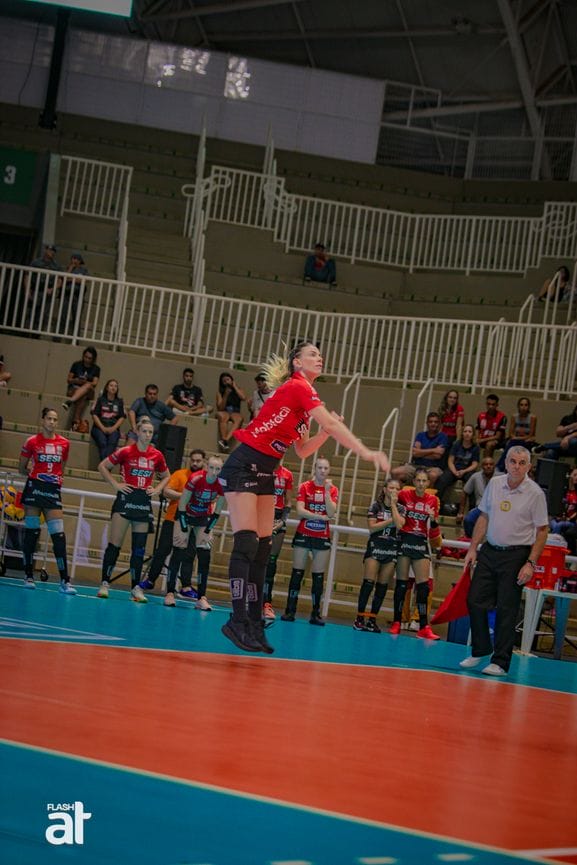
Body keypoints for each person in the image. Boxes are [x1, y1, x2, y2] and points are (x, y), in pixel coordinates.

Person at [217, 340, 389, 654]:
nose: (319, 357)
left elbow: (302, 450)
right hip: (243, 465)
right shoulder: (298, 387)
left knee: (263, 549)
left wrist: (324, 433)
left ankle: (254, 622)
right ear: (297, 362)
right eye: (312, 354)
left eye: (320, 354)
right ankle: (237, 620)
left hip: (266, 471)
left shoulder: (305, 399)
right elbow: (330, 421)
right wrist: (366, 452)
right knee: (247, 544)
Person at [461, 446, 548, 676]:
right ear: (506, 463)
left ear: (529, 466)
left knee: (507, 609)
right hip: (489, 550)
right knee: (474, 600)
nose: (516, 466)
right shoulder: (495, 483)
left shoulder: (535, 493)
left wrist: (530, 563)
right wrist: (473, 548)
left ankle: (500, 662)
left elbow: (542, 530)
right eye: (513, 461)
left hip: (516, 555)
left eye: (522, 463)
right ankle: (480, 649)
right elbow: (484, 516)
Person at [97, 416, 170, 602]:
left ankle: (135, 588)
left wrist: (157, 489)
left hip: (143, 503)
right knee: (115, 545)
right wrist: (116, 484)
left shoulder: (157, 455)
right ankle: (105, 583)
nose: (147, 435)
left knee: (139, 549)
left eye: (150, 432)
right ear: (137, 432)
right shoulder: (126, 451)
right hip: (125, 501)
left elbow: (166, 476)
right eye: (144, 431)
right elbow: (103, 466)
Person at [18, 407, 76, 594]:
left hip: (52, 491)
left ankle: (64, 581)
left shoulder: (64, 443)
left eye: (55, 419)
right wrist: (36, 474)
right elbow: (21, 467)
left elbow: (62, 467)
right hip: (34, 488)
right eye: (49, 418)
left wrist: (54, 479)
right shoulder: (32, 441)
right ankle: (28, 576)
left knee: (58, 535)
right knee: (32, 533)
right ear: (43, 420)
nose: (52, 422)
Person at [139, 449, 206, 595]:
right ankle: (151, 580)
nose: (195, 463)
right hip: (172, 519)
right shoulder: (179, 474)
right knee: (163, 550)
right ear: (189, 460)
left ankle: (186, 586)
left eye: (198, 461)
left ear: (203, 462)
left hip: (194, 521)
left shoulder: (207, 479)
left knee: (189, 554)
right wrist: (185, 495)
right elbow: (166, 491)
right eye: (193, 460)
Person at [281, 456, 338, 626]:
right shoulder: (305, 486)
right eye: (320, 467)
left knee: (318, 576)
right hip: (304, 533)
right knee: (297, 572)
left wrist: (326, 492)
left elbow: (331, 512)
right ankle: (290, 610)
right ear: (315, 468)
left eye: (325, 468)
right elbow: (300, 511)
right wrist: (319, 517)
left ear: (329, 470)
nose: (322, 471)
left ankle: (315, 613)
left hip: (321, 536)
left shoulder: (333, 489)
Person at [165, 455, 225, 609]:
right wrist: (184, 525)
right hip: (185, 513)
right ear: (206, 467)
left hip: (203, 517)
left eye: (218, 469)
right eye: (211, 468)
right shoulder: (196, 478)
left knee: (204, 555)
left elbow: (217, 511)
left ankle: (201, 597)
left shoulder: (222, 483)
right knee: (179, 551)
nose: (214, 472)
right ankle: (170, 593)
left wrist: (209, 527)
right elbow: (182, 504)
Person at [389, 467, 440, 640]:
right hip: (405, 540)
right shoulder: (404, 495)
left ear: (428, 483)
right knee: (402, 584)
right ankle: (397, 622)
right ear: (413, 482)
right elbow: (391, 500)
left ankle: (423, 626)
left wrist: (433, 520)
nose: (421, 483)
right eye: (418, 480)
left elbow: (434, 529)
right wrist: (392, 498)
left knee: (423, 587)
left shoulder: (432, 500)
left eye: (424, 481)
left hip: (420, 542)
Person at [353, 478, 405, 633]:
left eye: (397, 489)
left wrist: (393, 506)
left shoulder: (401, 508)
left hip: (391, 549)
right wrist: (390, 521)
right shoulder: (376, 506)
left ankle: (372, 619)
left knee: (382, 586)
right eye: (391, 488)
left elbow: (400, 525)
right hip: (376, 547)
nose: (394, 491)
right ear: (385, 489)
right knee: (368, 582)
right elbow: (372, 528)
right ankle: (359, 618)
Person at [263, 461, 293, 619]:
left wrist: (283, 521)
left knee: (271, 562)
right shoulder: (262, 468)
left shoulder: (287, 474)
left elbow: (288, 501)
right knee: (257, 560)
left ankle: (267, 603)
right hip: (262, 515)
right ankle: (253, 600)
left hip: (278, 518)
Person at [435, 424, 480, 503]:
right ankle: (436, 504)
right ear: (462, 433)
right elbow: (450, 461)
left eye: (470, 432)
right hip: (454, 469)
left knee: (474, 482)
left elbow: (475, 464)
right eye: (465, 431)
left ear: (473, 434)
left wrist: (464, 471)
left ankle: (472, 508)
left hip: (467, 470)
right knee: (442, 480)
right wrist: (455, 471)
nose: (467, 433)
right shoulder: (456, 444)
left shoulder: (475, 447)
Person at [62, 346, 100, 432]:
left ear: (93, 359)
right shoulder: (76, 365)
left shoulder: (96, 369)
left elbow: (94, 383)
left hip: (89, 390)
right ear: (83, 356)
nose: (87, 359)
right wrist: (77, 380)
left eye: (89, 358)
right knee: (83, 396)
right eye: (85, 357)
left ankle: (70, 401)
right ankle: (75, 422)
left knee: (88, 386)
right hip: (74, 388)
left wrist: (85, 382)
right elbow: (69, 380)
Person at [25, 243, 62, 331]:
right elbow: (27, 276)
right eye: (50, 250)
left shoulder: (56, 266)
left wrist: (52, 289)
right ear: (45, 250)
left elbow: (60, 280)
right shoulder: (36, 262)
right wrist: (27, 290)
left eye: (53, 251)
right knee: (31, 312)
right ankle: (27, 332)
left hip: (47, 292)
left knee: (43, 314)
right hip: (36, 290)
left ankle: (37, 333)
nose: (51, 252)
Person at [457, 457, 496, 538]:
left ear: (494, 466)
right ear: (482, 466)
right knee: (468, 520)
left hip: (497, 509)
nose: (488, 466)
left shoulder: (502, 477)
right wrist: (461, 512)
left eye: (491, 464)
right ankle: (470, 540)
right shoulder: (475, 476)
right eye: (486, 464)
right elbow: (464, 492)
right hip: (480, 508)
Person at [496, 396, 537, 471]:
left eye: (526, 405)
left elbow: (531, 435)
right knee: (511, 444)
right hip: (515, 440)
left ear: (529, 406)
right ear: (518, 406)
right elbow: (511, 434)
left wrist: (518, 438)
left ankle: (501, 467)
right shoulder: (514, 416)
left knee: (517, 443)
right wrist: (516, 438)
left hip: (526, 441)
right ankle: (501, 467)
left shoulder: (532, 417)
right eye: (521, 405)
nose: (523, 407)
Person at [90, 379, 126, 461]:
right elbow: (94, 415)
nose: (113, 387)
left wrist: (113, 428)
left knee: (112, 444)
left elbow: (122, 417)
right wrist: (103, 428)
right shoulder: (100, 400)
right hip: (99, 428)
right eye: (111, 385)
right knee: (102, 443)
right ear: (106, 387)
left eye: (115, 386)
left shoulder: (119, 401)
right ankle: (105, 466)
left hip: (113, 428)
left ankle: (104, 466)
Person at [412, 411, 449, 485]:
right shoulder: (420, 435)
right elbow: (415, 453)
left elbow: (437, 455)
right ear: (427, 423)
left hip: (433, 467)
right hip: (417, 466)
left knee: (433, 475)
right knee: (396, 472)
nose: (433, 424)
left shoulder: (443, 436)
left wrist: (420, 453)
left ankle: (426, 493)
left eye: (436, 422)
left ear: (439, 424)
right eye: (430, 422)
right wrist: (434, 450)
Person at [57, 252, 89, 333]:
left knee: (76, 318)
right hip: (66, 296)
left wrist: (70, 279)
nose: (74, 260)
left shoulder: (84, 270)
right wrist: (70, 269)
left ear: (80, 261)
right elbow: (64, 279)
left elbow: (85, 280)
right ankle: (58, 336)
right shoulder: (67, 269)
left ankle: (76, 338)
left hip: (77, 297)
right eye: (72, 258)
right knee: (63, 316)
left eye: (76, 259)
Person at [549, 466, 577, 555]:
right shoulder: (562, 490)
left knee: (559, 525)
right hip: (557, 518)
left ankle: (555, 550)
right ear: (569, 475)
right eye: (575, 475)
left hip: (570, 521)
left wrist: (569, 518)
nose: (576, 477)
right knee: (552, 523)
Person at [216, 371, 246, 452]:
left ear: (232, 380)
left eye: (228, 380)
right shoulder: (220, 392)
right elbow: (220, 408)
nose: (226, 382)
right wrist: (225, 395)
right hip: (224, 411)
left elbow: (243, 398)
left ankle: (225, 440)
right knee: (223, 416)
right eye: (224, 381)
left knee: (239, 419)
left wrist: (235, 387)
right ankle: (224, 439)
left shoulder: (238, 389)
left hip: (235, 411)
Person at [438, 389, 465, 454]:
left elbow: (458, 426)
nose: (452, 400)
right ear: (446, 398)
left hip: (453, 435)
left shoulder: (459, 408)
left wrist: (458, 440)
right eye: (450, 397)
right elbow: (440, 425)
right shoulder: (442, 408)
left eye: (455, 398)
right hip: (443, 435)